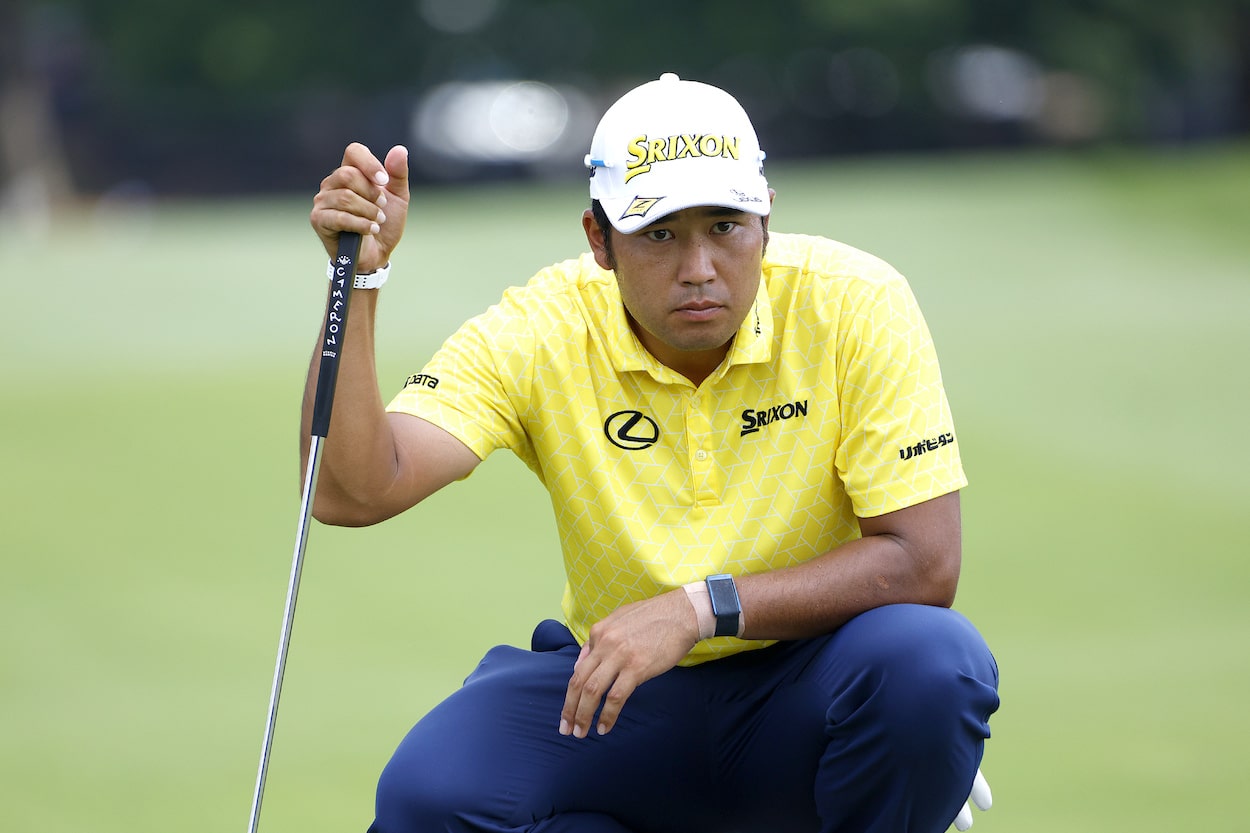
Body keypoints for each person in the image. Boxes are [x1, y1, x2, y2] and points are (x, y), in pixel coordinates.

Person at [304, 73, 999, 833]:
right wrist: (359, 279)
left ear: (766, 218)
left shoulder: (856, 301)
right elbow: (352, 492)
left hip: (808, 684)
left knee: (929, 665)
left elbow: (924, 562)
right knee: (429, 797)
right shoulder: (542, 327)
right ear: (599, 240)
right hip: (621, 697)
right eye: (660, 233)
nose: (699, 267)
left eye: (725, 226)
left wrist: (699, 608)